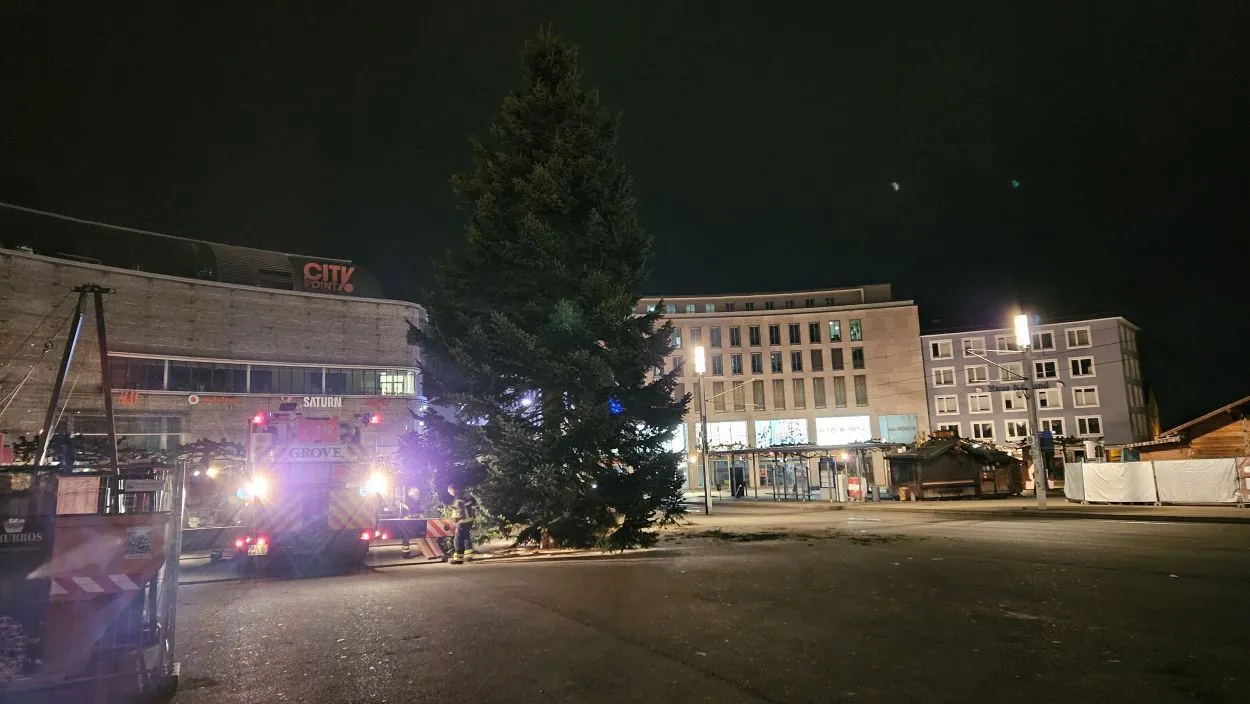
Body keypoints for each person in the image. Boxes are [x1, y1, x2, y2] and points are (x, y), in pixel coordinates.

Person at [447, 483, 476, 564]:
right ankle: (468, 556)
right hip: (469, 520)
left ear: (453, 489)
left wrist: (456, 519)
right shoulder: (466, 495)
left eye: (450, 491)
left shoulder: (458, 498)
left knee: (458, 540)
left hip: (462, 521)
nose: (450, 493)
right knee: (466, 538)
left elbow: (460, 511)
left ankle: (458, 559)